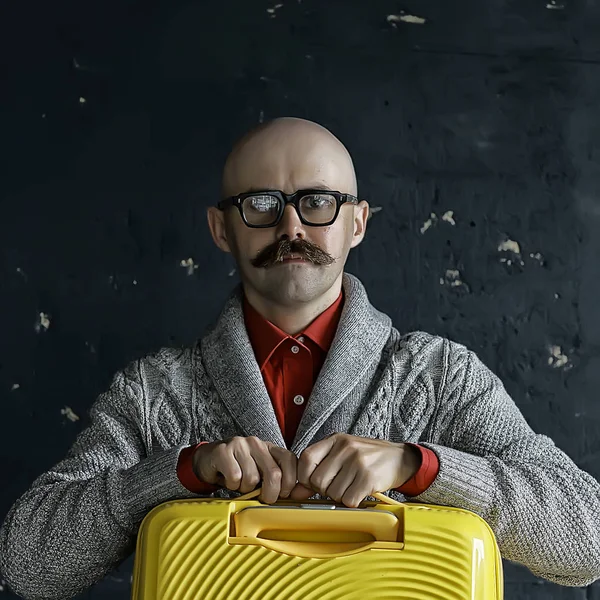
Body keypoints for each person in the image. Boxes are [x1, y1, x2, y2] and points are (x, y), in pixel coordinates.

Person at [1, 117, 599, 600]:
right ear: (220, 228)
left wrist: (422, 467)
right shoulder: (154, 392)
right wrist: (179, 473)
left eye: (318, 202)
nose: (291, 225)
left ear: (358, 223)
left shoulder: (441, 378)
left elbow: (587, 538)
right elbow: (29, 566)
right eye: (260, 203)